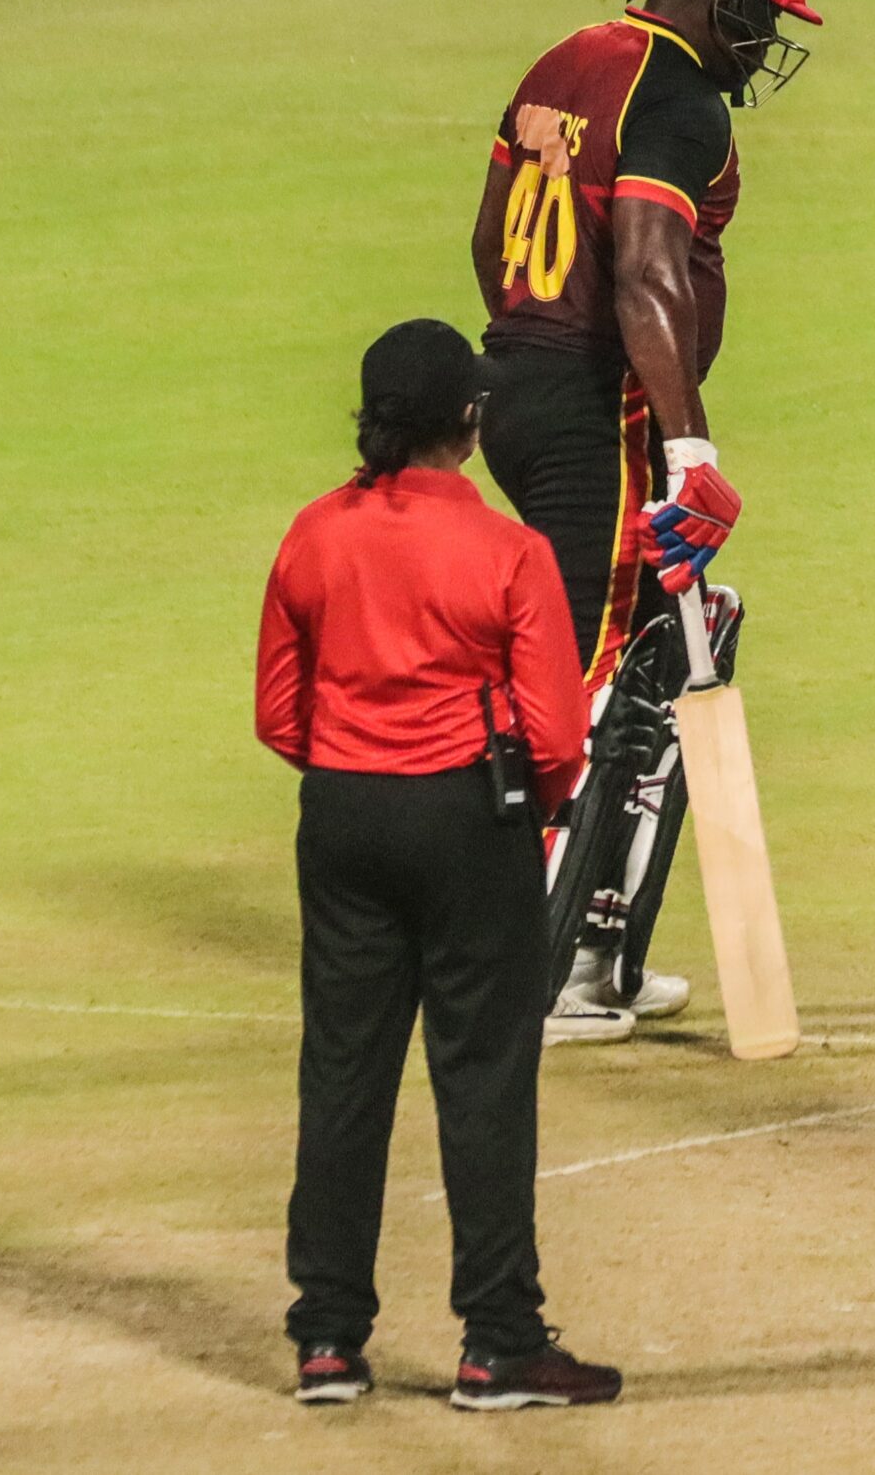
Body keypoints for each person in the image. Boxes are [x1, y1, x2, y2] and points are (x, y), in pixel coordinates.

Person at [468, 0, 821, 1044]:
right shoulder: (677, 98)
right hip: (596, 415)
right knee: (590, 678)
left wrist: (528, 358)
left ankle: (594, 948)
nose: (766, 43)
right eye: (768, 15)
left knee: (638, 655)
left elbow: (489, 237)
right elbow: (646, 273)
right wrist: (685, 448)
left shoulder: (564, 62)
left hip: (513, 385)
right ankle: (529, 969)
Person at [255, 318, 622, 1407]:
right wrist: (514, 807)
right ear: (469, 419)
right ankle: (497, 1341)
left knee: (343, 1071)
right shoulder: (510, 551)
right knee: (485, 1080)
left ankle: (328, 1338)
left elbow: (279, 710)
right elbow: (556, 734)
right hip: (469, 819)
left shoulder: (313, 535)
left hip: (342, 814)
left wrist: (354, 765)